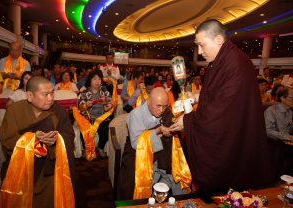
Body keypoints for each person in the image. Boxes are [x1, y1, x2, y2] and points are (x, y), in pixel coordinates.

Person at [169, 19, 273, 194]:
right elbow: (219, 95)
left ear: (218, 39)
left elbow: (222, 110)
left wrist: (187, 121)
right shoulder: (223, 61)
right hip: (233, 128)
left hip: (232, 136)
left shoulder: (235, 64)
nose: (200, 51)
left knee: (225, 188)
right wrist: (196, 96)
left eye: (202, 45)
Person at [0, 76, 75, 208]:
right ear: (29, 95)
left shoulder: (59, 111)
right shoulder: (14, 111)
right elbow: (7, 140)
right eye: (46, 94)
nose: (51, 98)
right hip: (21, 167)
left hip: (48, 167)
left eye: (52, 93)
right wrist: (32, 138)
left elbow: (69, 136)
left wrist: (57, 140)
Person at [117, 87, 191, 200]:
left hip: (161, 153)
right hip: (138, 155)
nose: (161, 110)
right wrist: (158, 130)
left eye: (164, 106)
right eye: (158, 106)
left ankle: (180, 200)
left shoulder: (167, 112)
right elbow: (136, 144)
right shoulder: (136, 114)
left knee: (180, 169)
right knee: (132, 181)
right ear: (148, 102)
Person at [78, 70, 113, 158]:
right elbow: (80, 108)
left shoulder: (104, 91)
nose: (97, 81)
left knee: (106, 129)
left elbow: (111, 102)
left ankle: (100, 148)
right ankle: (86, 149)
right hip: (88, 118)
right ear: (90, 80)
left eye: (99, 79)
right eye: (94, 79)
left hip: (102, 118)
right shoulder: (84, 92)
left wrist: (109, 106)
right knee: (84, 129)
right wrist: (86, 105)